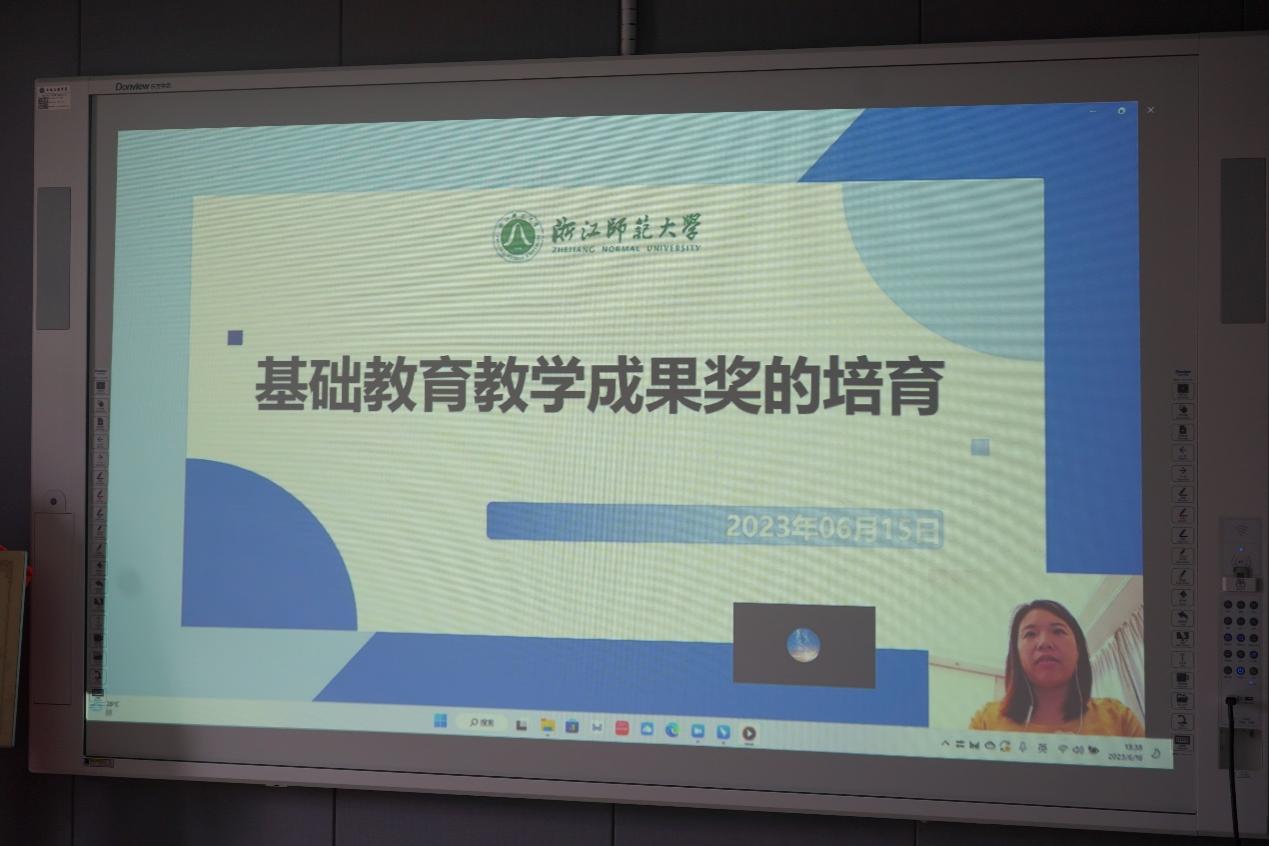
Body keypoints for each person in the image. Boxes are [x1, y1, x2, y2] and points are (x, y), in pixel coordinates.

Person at [969, 599, 1144, 736]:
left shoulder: (1119, 718)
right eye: (1030, 634)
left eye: (1058, 631)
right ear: (1016, 654)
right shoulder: (986, 722)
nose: (1044, 643)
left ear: (1078, 649)